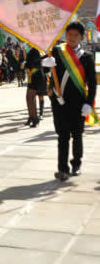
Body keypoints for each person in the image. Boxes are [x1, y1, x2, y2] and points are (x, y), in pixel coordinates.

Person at [43, 21, 96, 181]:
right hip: (59, 101)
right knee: (62, 135)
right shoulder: (57, 52)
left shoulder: (87, 57)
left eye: (75, 35)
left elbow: (92, 82)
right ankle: (62, 169)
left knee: (77, 134)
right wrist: (45, 65)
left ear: (81, 37)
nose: (72, 38)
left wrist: (89, 102)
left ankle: (76, 163)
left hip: (78, 103)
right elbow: (46, 69)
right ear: (65, 35)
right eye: (69, 35)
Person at [25, 48, 47, 128]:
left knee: (31, 98)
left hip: (37, 77)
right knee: (28, 98)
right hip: (32, 76)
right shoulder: (31, 49)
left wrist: (27, 63)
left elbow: (37, 61)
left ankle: (35, 118)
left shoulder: (38, 50)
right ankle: (31, 116)